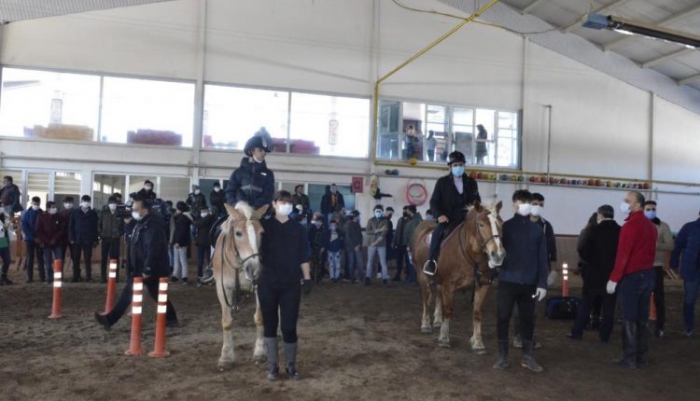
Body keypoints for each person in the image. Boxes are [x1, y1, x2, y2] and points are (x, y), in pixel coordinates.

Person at [95, 195, 178, 330]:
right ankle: (172, 318)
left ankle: (110, 319)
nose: (133, 211)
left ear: (144, 210)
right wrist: (129, 223)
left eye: (135, 209)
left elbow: (153, 249)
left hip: (149, 267)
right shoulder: (142, 222)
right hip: (143, 265)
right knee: (156, 293)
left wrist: (147, 269)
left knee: (130, 292)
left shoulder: (153, 225)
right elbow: (134, 237)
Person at [258, 190, 312, 381]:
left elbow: (303, 255)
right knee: (270, 325)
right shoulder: (263, 226)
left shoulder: (298, 229)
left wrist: (307, 278)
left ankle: (291, 365)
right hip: (267, 283)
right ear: (274, 204)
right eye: (282, 201)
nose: (286, 205)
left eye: (289, 202)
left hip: (290, 284)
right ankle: (273, 365)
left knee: (289, 326)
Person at [493, 190, 548, 373]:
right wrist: (493, 264)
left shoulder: (538, 231)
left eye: (528, 201)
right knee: (502, 318)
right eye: (521, 201)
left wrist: (542, 283)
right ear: (514, 203)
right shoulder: (505, 227)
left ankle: (528, 356)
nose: (525, 204)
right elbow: (496, 251)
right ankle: (502, 356)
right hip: (507, 280)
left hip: (530, 283)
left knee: (527, 320)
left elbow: (542, 259)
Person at [606, 191, 657, 369]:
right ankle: (642, 355)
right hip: (648, 275)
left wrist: (614, 278)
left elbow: (623, 255)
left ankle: (629, 358)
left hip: (633, 277)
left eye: (628, 201)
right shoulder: (650, 227)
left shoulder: (629, 227)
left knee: (629, 317)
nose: (624, 203)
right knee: (642, 318)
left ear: (637, 205)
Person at [424, 151, 481, 275]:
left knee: (482, 233)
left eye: (460, 164)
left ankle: (484, 265)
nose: (458, 167)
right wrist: (439, 215)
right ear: (450, 166)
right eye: (455, 165)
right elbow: (434, 202)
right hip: (448, 219)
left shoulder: (472, 182)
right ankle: (431, 261)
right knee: (437, 233)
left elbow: (477, 201)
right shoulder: (442, 182)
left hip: (467, 219)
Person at [569, 205, 620, 342]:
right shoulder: (620, 231)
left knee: (586, 304)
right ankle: (604, 336)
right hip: (612, 275)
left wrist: (591, 261)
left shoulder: (593, 230)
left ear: (600, 215)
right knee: (609, 308)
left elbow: (583, 250)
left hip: (594, 274)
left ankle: (577, 332)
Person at [513, 192, 557, 349]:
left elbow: (552, 249)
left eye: (541, 204)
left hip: (539, 272)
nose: (537, 207)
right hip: (521, 271)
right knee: (520, 306)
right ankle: (518, 336)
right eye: (535, 203)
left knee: (535, 308)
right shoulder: (519, 223)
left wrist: (553, 270)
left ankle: (528, 337)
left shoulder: (546, 226)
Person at [643, 201, 673, 339]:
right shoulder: (637, 225)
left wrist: (655, 245)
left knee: (659, 298)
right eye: (648, 209)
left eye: (653, 209)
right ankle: (641, 324)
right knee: (640, 297)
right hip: (641, 266)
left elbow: (670, 245)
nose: (651, 211)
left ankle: (660, 327)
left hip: (656, 266)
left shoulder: (663, 226)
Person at [670, 211, 700, 338]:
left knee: (690, 298)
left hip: (691, 268)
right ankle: (689, 326)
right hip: (692, 269)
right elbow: (677, 247)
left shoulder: (689, 227)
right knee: (689, 299)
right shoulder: (689, 227)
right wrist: (674, 264)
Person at [577, 212, 603, 329]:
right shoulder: (601, 233)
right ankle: (595, 317)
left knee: (587, 294)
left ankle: (585, 319)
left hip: (587, 266)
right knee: (599, 295)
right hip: (598, 267)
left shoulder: (586, 232)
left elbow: (580, 248)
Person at [69, 195, 99, 283]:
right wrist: (71, 238)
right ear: (81, 202)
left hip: (88, 240)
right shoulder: (75, 212)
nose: (86, 203)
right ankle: (75, 276)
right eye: (84, 201)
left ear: (90, 202)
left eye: (88, 201)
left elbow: (95, 227)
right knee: (75, 259)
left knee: (88, 259)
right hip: (76, 239)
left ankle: (89, 277)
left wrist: (96, 239)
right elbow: (70, 226)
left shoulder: (93, 213)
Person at [35, 201, 65, 284]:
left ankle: (58, 277)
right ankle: (50, 278)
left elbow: (61, 230)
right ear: (48, 208)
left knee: (59, 260)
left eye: (55, 207)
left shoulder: (59, 217)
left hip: (57, 242)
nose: (54, 209)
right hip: (46, 243)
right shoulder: (41, 217)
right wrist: (46, 240)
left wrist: (55, 239)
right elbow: (38, 230)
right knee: (48, 261)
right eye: (52, 207)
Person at [99, 196, 124, 283]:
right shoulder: (104, 213)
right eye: (111, 203)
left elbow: (123, 226)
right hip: (105, 238)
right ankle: (103, 277)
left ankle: (115, 276)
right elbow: (99, 224)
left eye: (114, 203)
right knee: (104, 258)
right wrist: (100, 234)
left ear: (117, 204)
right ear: (108, 204)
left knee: (115, 258)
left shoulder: (120, 214)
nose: (112, 205)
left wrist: (120, 233)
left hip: (115, 239)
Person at [21, 197, 44, 283]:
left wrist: (40, 238)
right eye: (35, 204)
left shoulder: (42, 213)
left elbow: (44, 227)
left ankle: (42, 277)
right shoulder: (26, 214)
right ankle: (29, 277)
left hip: (40, 239)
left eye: (37, 204)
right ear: (31, 203)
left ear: (40, 203)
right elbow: (24, 227)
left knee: (40, 258)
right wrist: (33, 237)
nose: (36, 205)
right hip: (30, 239)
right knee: (30, 258)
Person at [365, 205, 389, 287]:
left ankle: (385, 278)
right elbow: (367, 231)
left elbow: (384, 233)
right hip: (371, 243)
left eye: (379, 211)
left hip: (380, 244)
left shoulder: (385, 221)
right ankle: (367, 277)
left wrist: (376, 242)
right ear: (374, 212)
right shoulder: (371, 220)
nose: (378, 213)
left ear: (382, 212)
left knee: (383, 262)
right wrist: (378, 230)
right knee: (370, 261)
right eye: (376, 211)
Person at [170, 201, 193, 284]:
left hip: (180, 242)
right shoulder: (184, 217)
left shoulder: (183, 218)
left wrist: (177, 242)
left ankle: (184, 277)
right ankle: (176, 275)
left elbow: (181, 231)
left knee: (181, 260)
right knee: (179, 259)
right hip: (180, 241)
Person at [193, 207, 215, 286]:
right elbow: (198, 224)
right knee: (200, 261)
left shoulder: (212, 218)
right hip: (200, 243)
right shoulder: (200, 218)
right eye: (202, 211)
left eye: (205, 211)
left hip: (210, 243)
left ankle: (209, 277)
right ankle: (199, 277)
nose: (203, 212)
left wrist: (209, 217)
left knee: (210, 262)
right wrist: (208, 216)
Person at [403, 205, 423, 285]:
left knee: (412, 262)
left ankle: (412, 279)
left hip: (412, 246)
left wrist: (408, 245)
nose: (406, 212)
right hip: (417, 245)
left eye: (407, 210)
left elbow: (411, 235)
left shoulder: (413, 222)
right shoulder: (418, 220)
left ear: (410, 211)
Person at [343, 210, 363, 284]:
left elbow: (360, 236)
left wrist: (359, 245)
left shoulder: (357, 225)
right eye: (358, 216)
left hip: (354, 247)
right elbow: (348, 237)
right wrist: (356, 245)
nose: (359, 217)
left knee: (355, 262)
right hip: (351, 247)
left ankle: (356, 278)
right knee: (353, 262)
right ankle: (353, 278)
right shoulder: (348, 225)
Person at [392, 206, 410, 282]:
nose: (404, 212)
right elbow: (397, 232)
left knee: (408, 261)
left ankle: (408, 275)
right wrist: (394, 241)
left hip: (406, 244)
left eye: (405, 210)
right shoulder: (400, 220)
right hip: (399, 243)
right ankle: (398, 275)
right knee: (399, 261)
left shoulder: (410, 221)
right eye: (403, 210)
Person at [308, 213, 326, 283]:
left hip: (320, 248)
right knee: (312, 263)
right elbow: (309, 239)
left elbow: (325, 239)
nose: (319, 223)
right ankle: (311, 277)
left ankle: (318, 277)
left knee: (320, 263)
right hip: (313, 248)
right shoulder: (311, 229)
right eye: (317, 221)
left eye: (320, 221)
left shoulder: (323, 230)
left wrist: (323, 247)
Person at [59, 197, 75, 274]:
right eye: (67, 203)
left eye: (70, 202)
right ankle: (60, 274)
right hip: (62, 238)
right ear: (64, 204)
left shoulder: (76, 213)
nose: (68, 204)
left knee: (75, 257)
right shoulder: (60, 213)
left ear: (73, 203)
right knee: (61, 257)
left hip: (73, 238)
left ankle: (76, 274)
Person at [0, 210, 14, 285]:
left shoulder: (5, 215)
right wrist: (3, 227)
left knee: (7, 261)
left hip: (5, 241)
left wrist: (12, 225)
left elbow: (11, 228)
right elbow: (2, 229)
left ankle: (3, 277)